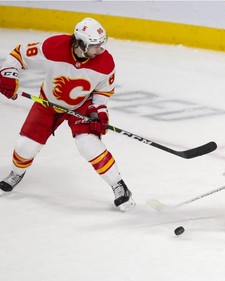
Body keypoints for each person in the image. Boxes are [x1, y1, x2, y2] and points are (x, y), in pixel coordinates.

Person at [0, 17, 135, 211]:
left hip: (82, 105)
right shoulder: (53, 48)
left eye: (102, 44)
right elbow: (18, 54)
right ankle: (16, 173)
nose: (101, 50)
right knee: (25, 146)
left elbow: (102, 93)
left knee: (88, 145)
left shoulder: (105, 62)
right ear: (80, 43)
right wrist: (8, 74)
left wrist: (99, 113)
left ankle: (119, 186)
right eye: (95, 45)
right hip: (47, 102)